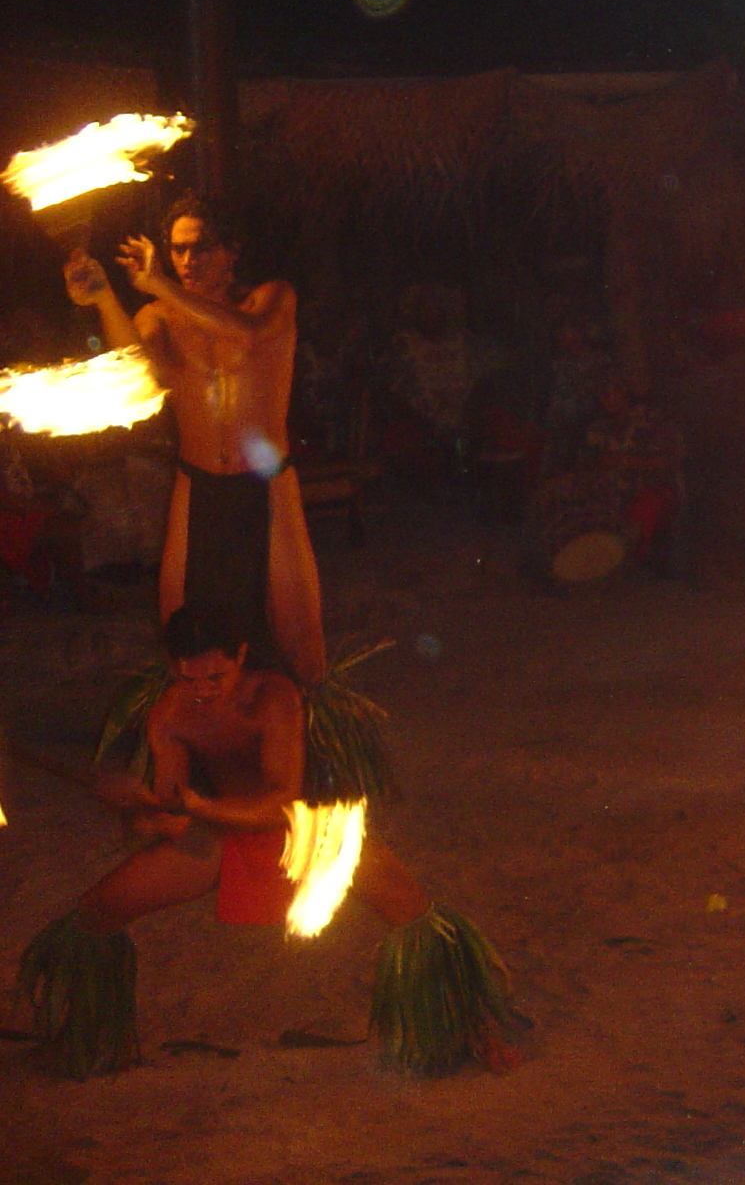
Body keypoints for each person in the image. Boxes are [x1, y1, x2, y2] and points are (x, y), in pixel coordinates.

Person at [15, 605, 519, 1077]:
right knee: (100, 907)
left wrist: (197, 809)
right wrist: (141, 810)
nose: (204, 690)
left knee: (413, 909)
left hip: (309, 832)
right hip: (222, 833)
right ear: (173, 667)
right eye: (189, 678)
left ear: (240, 656)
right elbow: (172, 808)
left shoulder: (274, 697)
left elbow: (280, 802)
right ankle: (90, 1042)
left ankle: (471, 1032)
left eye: (216, 676)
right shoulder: (169, 713)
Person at [64, 195, 324, 684]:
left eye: (201, 248)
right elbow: (138, 369)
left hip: (266, 483)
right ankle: (199, 730)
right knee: (180, 619)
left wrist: (158, 281)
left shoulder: (270, 299)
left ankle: (298, 738)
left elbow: (245, 337)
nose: (188, 261)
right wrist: (103, 297)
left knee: (296, 630)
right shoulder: (161, 316)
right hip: (197, 481)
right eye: (179, 250)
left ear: (233, 251)